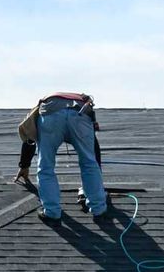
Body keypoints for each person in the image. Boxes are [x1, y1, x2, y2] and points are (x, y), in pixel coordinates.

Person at [13, 93, 107, 221]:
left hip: (51, 114)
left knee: (45, 166)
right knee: (89, 163)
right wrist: (97, 183)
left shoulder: (43, 106)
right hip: (80, 114)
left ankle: (52, 212)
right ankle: (99, 209)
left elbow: (30, 137)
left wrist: (24, 165)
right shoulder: (82, 105)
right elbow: (94, 154)